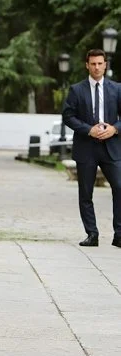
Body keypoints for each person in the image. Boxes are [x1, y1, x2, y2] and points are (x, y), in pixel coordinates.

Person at [62, 49, 121, 248]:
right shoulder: (76, 90)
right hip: (86, 147)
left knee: (120, 187)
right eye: (93, 64)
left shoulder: (117, 89)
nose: (96, 67)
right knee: (86, 193)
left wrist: (114, 129)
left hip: (111, 147)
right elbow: (68, 116)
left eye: (100, 63)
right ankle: (92, 234)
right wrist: (89, 130)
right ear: (87, 65)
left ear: (105, 65)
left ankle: (119, 234)